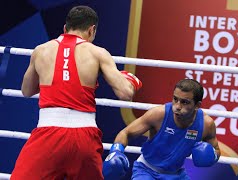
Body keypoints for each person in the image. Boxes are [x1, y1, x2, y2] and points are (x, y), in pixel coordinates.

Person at [10, 5, 142, 180]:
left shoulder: (41, 51)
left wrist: (52, 79)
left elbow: (26, 91)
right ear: (91, 30)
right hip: (83, 137)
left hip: (47, 135)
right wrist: (130, 80)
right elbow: (125, 93)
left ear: (65, 28)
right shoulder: (97, 53)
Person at [103, 79, 220, 180]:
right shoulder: (159, 114)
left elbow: (216, 149)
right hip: (146, 170)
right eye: (175, 99)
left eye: (185, 102)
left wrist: (212, 156)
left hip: (176, 175)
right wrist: (116, 151)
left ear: (197, 105)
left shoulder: (206, 124)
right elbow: (126, 132)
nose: (178, 106)